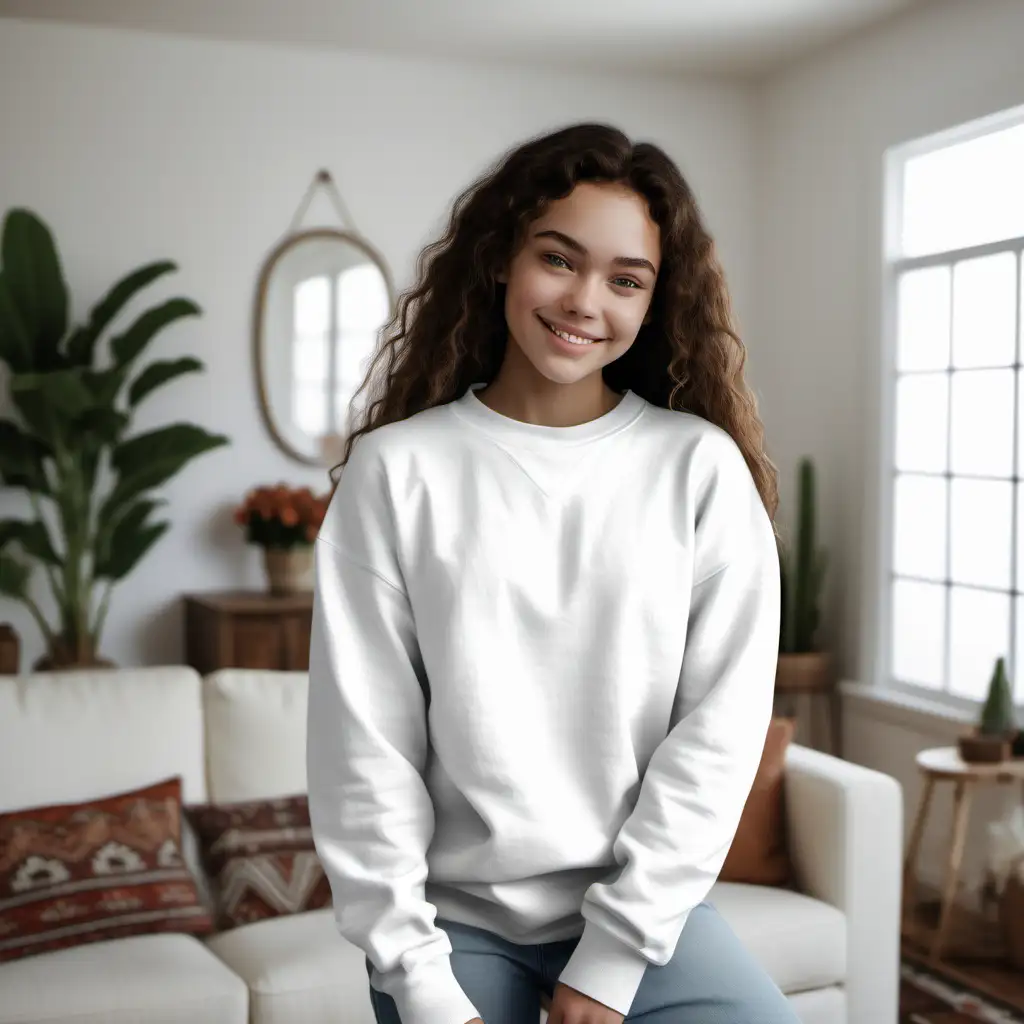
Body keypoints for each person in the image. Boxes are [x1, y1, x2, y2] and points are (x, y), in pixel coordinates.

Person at [306, 122, 796, 1024]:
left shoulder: (699, 468)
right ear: (501, 259)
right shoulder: (396, 471)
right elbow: (361, 749)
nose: (584, 300)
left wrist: (609, 963)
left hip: (644, 916)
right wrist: (417, 982)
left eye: (625, 279)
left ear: (656, 300)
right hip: (454, 930)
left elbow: (718, 734)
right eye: (558, 259)